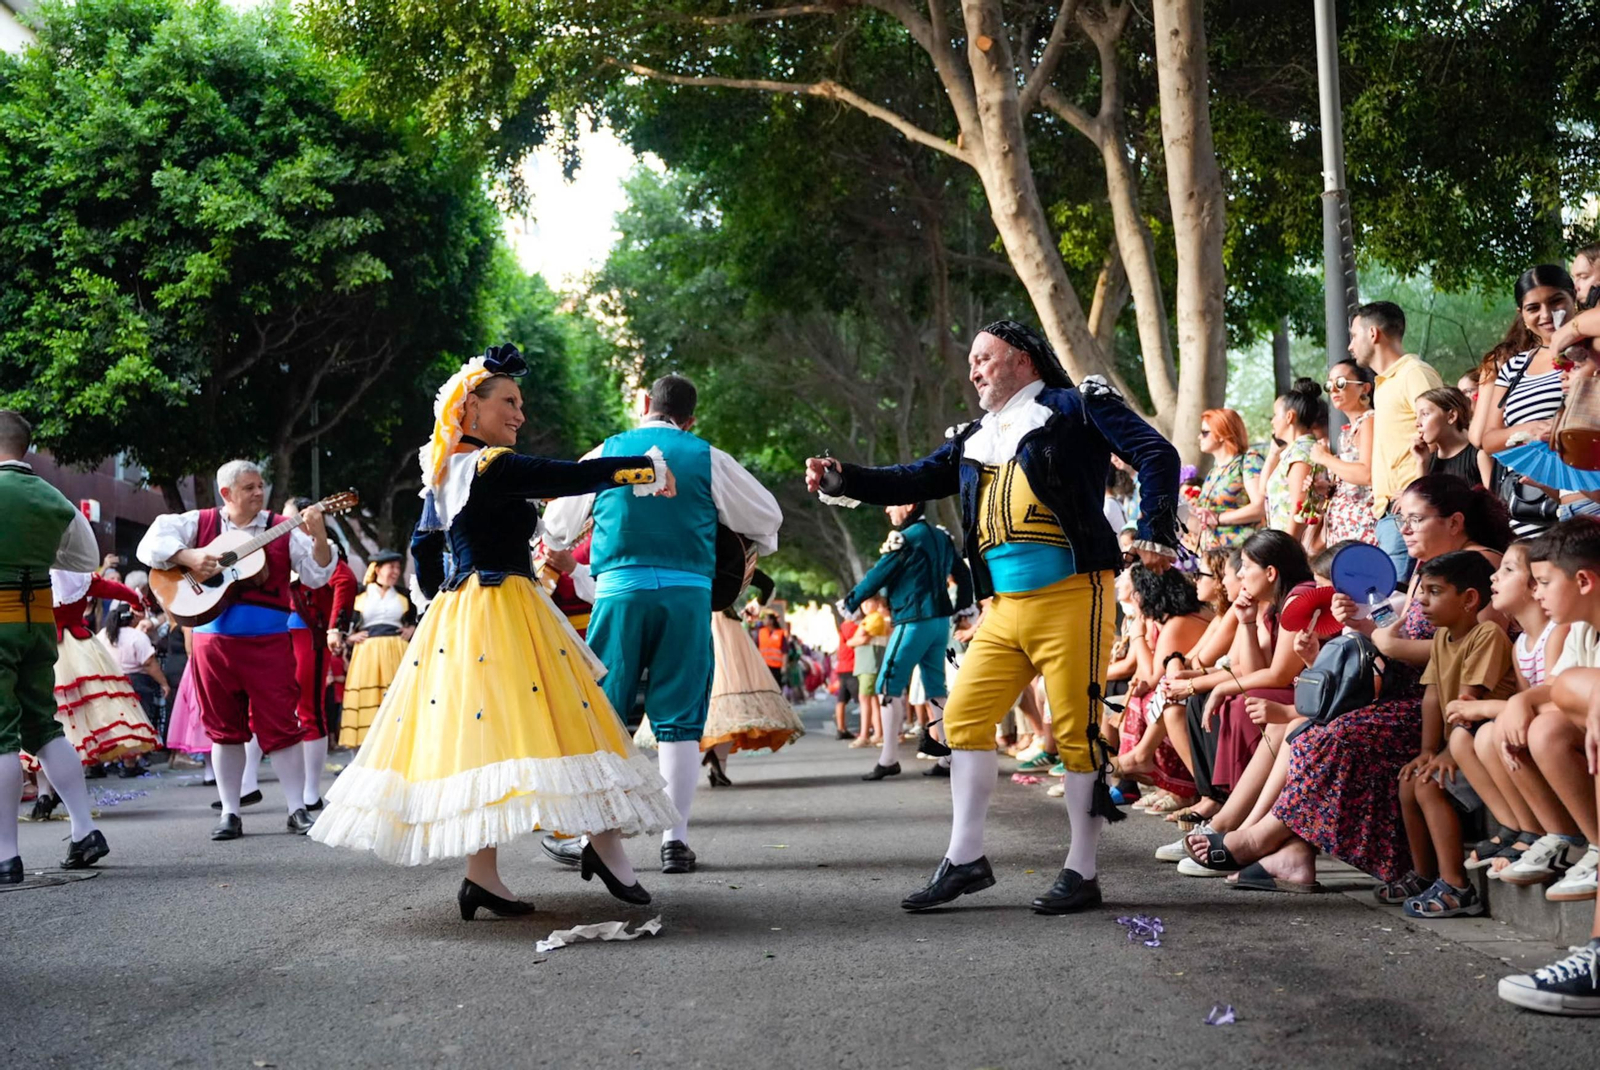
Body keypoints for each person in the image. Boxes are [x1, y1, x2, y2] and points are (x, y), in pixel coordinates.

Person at [807, 319, 1180, 915]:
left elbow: (1156, 452)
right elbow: (912, 476)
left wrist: (1159, 528)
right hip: (1001, 610)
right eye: (973, 361)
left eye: (984, 357)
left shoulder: (1077, 406)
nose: (974, 369)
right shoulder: (972, 437)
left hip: (1073, 594)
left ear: (1024, 360)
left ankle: (1082, 870)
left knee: (1077, 735)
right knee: (962, 719)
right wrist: (841, 478)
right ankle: (965, 859)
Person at [309, 344, 678, 917]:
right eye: (508, 401)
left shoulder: (443, 477)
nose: (520, 413)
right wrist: (646, 468)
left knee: (489, 736)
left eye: (521, 402)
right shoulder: (487, 465)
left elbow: (424, 552)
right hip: (501, 608)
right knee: (566, 720)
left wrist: (440, 606)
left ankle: (485, 875)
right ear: (470, 410)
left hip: (464, 617)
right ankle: (601, 848)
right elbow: (571, 476)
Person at [1185, 474, 1510, 894]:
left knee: (1333, 737)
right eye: (1399, 519)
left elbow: (1474, 651)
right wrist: (1360, 624)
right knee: (1309, 733)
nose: (1404, 529)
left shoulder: (1482, 564)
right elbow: (1398, 635)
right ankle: (1282, 846)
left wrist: (1384, 640)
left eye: (1415, 519)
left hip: (1451, 702)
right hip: (1411, 698)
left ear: (1454, 522)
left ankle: (1260, 839)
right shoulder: (1424, 567)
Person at [543, 373, 783, 876]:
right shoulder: (707, 455)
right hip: (687, 595)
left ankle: (598, 835)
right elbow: (767, 516)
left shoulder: (605, 451)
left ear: (644, 405)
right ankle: (675, 841)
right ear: (690, 418)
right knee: (678, 718)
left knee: (605, 711)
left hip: (618, 592)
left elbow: (559, 527)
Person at [137, 459, 336, 840]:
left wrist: (319, 536)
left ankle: (297, 809)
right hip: (214, 644)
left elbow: (316, 575)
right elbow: (151, 546)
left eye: (260, 486)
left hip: (270, 643)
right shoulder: (199, 522)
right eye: (249, 487)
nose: (259, 493)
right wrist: (189, 556)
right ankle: (230, 812)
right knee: (223, 730)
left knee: (283, 726)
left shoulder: (282, 528)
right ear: (226, 493)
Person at [0, 410, 108, 882]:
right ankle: (84, 829)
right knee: (43, 724)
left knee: (1, 733)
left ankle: (5, 855)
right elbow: (85, 560)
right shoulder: (54, 497)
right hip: (39, 620)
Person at [1498, 518, 1600, 1014]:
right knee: (1546, 725)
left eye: (1543, 582)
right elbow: (1559, 689)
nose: (1537, 594)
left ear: (1583, 581)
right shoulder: (1581, 630)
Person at [1400, 550, 1517, 918]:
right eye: (1422, 591)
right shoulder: (1442, 637)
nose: (1422, 601)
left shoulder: (1487, 635)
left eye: (1434, 591)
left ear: (1469, 599)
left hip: (1484, 743)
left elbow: (1469, 702)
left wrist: (1448, 754)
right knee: (1410, 780)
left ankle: (1457, 887)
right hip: (1460, 739)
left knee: (1426, 784)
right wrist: (1427, 749)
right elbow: (1433, 697)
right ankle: (1424, 874)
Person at [838, 504, 973, 781]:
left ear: (909, 506)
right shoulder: (941, 536)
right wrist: (961, 610)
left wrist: (850, 602)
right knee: (936, 687)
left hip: (913, 619)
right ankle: (947, 756)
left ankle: (889, 759)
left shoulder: (907, 538)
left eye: (893, 504)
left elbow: (880, 573)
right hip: (939, 623)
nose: (888, 510)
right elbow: (964, 575)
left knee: (886, 685)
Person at [1478, 265, 1580, 536]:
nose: (1546, 314)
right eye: (1533, 308)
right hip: (1528, 512)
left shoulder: (1591, 353)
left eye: (1556, 301)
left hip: (1583, 503)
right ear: (1522, 316)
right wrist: (1527, 431)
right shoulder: (1514, 367)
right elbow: (1488, 440)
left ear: (1574, 299)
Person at [1349, 300, 1444, 580]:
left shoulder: (1414, 372)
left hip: (1407, 513)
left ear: (1373, 334)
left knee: (1399, 605)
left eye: (1354, 336)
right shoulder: (1385, 383)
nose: (1350, 346)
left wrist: (1416, 491)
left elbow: (1444, 435)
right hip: (1389, 515)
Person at [283, 503, 357, 810]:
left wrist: (334, 628)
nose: (285, 523)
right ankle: (242, 787)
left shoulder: (324, 549)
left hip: (305, 632)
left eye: (292, 518)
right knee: (259, 709)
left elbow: (346, 581)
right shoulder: (275, 545)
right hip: (269, 633)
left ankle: (311, 791)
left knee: (309, 709)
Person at [339, 551, 414, 749]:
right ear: (378, 569)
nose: (395, 572)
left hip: (396, 650)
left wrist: (412, 629)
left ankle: (397, 746)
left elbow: (417, 618)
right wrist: (349, 637)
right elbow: (342, 619)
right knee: (367, 697)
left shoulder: (403, 595)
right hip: (367, 651)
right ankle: (364, 750)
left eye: (398, 567)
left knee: (397, 698)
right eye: (391, 567)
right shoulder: (360, 594)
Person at [98, 603, 168, 776]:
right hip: (135, 682)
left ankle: (101, 763)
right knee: (133, 723)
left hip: (107, 682)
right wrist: (163, 683)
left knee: (110, 723)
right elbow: (149, 662)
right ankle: (129, 763)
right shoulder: (137, 636)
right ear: (131, 618)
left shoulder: (102, 635)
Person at [1311, 361, 1377, 545]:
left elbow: (1366, 473)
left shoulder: (1369, 421)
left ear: (1364, 388)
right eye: (1329, 385)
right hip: (1343, 527)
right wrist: (1326, 487)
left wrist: (1325, 458)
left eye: (1341, 383)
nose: (1334, 390)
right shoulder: (1346, 431)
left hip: (1362, 526)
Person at [1260, 379, 1328, 543]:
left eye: (1276, 415)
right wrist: (1273, 453)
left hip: (1294, 545)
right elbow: (1263, 491)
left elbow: (1299, 504)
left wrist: (1287, 547)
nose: (1272, 421)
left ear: (1289, 416)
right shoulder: (1292, 452)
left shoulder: (1301, 453)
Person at [1189, 408, 1264, 553]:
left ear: (1221, 433)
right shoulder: (1214, 470)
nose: (1199, 437)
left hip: (1241, 556)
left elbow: (1260, 507)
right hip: (1212, 557)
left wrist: (1218, 518)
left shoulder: (1249, 461)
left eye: (1205, 432)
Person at [1413, 386, 1486, 488]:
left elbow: (1494, 501)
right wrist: (1421, 462)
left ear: (1451, 416)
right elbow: (1418, 502)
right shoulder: (1428, 461)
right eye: (1416, 416)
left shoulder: (1479, 455)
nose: (1417, 423)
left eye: (1425, 414)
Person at [833, 605, 859, 740]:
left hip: (842, 667)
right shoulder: (854, 628)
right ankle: (870, 729)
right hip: (852, 666)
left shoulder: (842, 627)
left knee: (841, 700)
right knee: (864, 700)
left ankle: (840, 728)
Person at [757, 610, 789, 688]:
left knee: (776, 688)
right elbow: (756, 649)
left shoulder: (780, 634)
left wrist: (784, 667)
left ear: (771, 621)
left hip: (776, 668)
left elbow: (785, 652)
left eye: (765, 618)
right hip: (764, 666)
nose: (763, 621)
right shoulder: (761, 632)